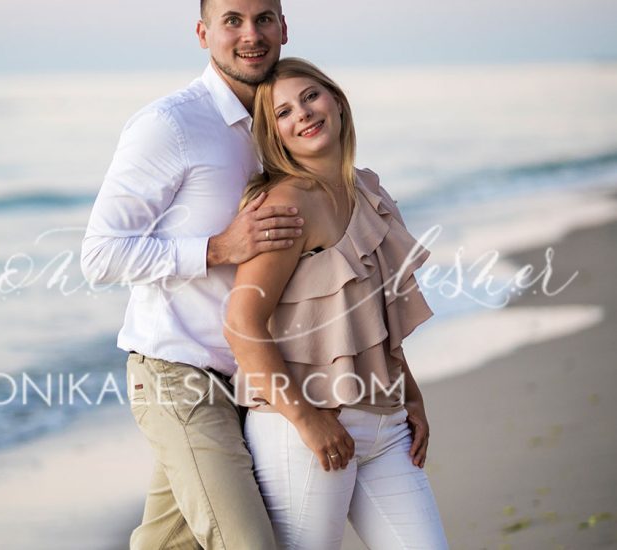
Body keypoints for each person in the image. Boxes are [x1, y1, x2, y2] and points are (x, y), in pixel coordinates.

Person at [80, 2, 347, 549]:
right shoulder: (170, 125)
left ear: (284, 27)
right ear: (203, 33)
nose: (251, 34)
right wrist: (217, 248)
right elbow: (100, 256)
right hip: (180, 376)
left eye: (264, 18)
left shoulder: (283, 123)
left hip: (252, 382)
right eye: (232, 21)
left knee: (166, 544)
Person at [224, 58, 450, 549]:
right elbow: (242, 324)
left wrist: (410, 393)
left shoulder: (368, 191)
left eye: (310, 97)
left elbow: (372, 319)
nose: (303, 114)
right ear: (275, 135)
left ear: (337, 102)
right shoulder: (285, 205)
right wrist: (306, 419)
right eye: (283, 112)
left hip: (386, 423)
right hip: (304, 432)